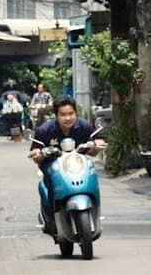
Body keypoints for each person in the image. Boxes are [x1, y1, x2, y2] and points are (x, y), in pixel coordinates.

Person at [29, 97, 104, 231]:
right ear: (56, 115)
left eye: (71, 114)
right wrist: (38, 153)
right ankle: (52, 218)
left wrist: (97, 145)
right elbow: (36, 156)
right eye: (63, 115)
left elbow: (93, 152)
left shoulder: (84, 126)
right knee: (51, 179)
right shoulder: (45, 130)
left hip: (77, 164)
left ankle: (95, 209)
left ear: (75, 113)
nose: (68, 118)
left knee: (91, 171)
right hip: (53, 165)